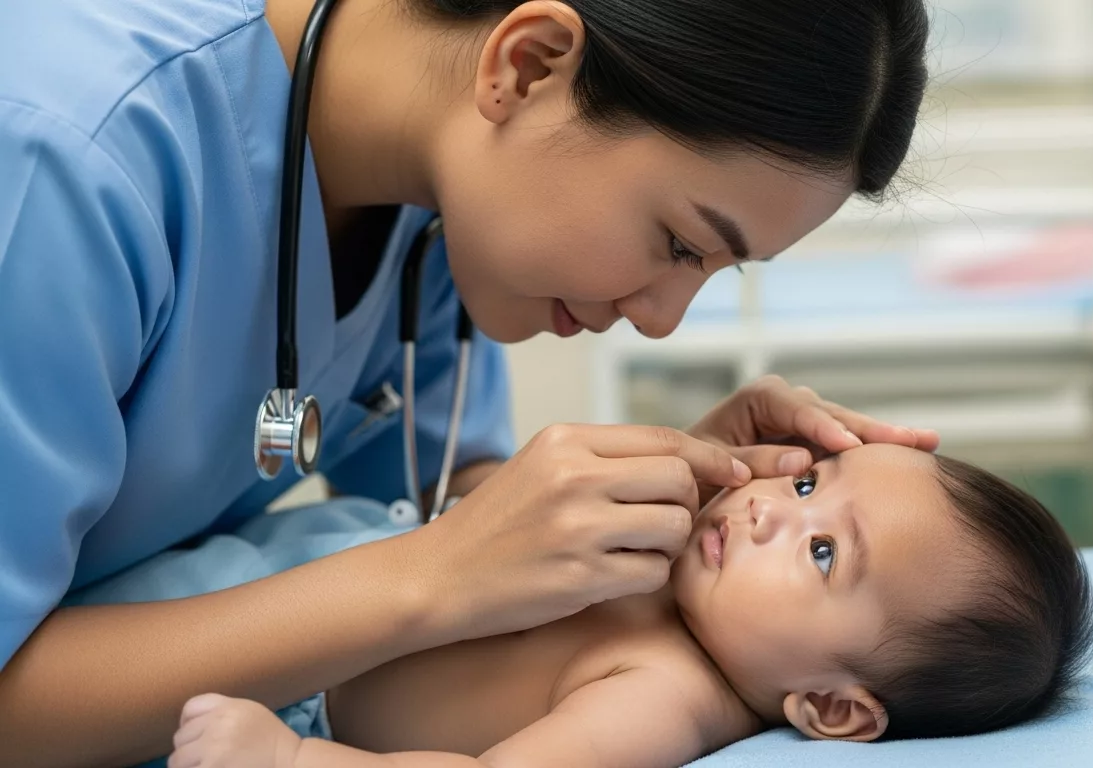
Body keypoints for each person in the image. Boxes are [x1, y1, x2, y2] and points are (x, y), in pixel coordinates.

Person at [0, 0, 935, 764]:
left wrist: (674, 509)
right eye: (681, 244)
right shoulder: (69, 160)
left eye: (713, 273)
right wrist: (426, 581)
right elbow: (443, 562)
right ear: (527, 66)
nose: (661, 318)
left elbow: (448, 503)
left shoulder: (442, 209)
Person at [80, 444, 1093, 768]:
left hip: (281, 675)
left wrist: (296, 760)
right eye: (806, 484)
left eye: (824, 551)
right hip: (290, 564)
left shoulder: (664, 694)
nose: (762, 516)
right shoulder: (695, 566)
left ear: (831, 708)